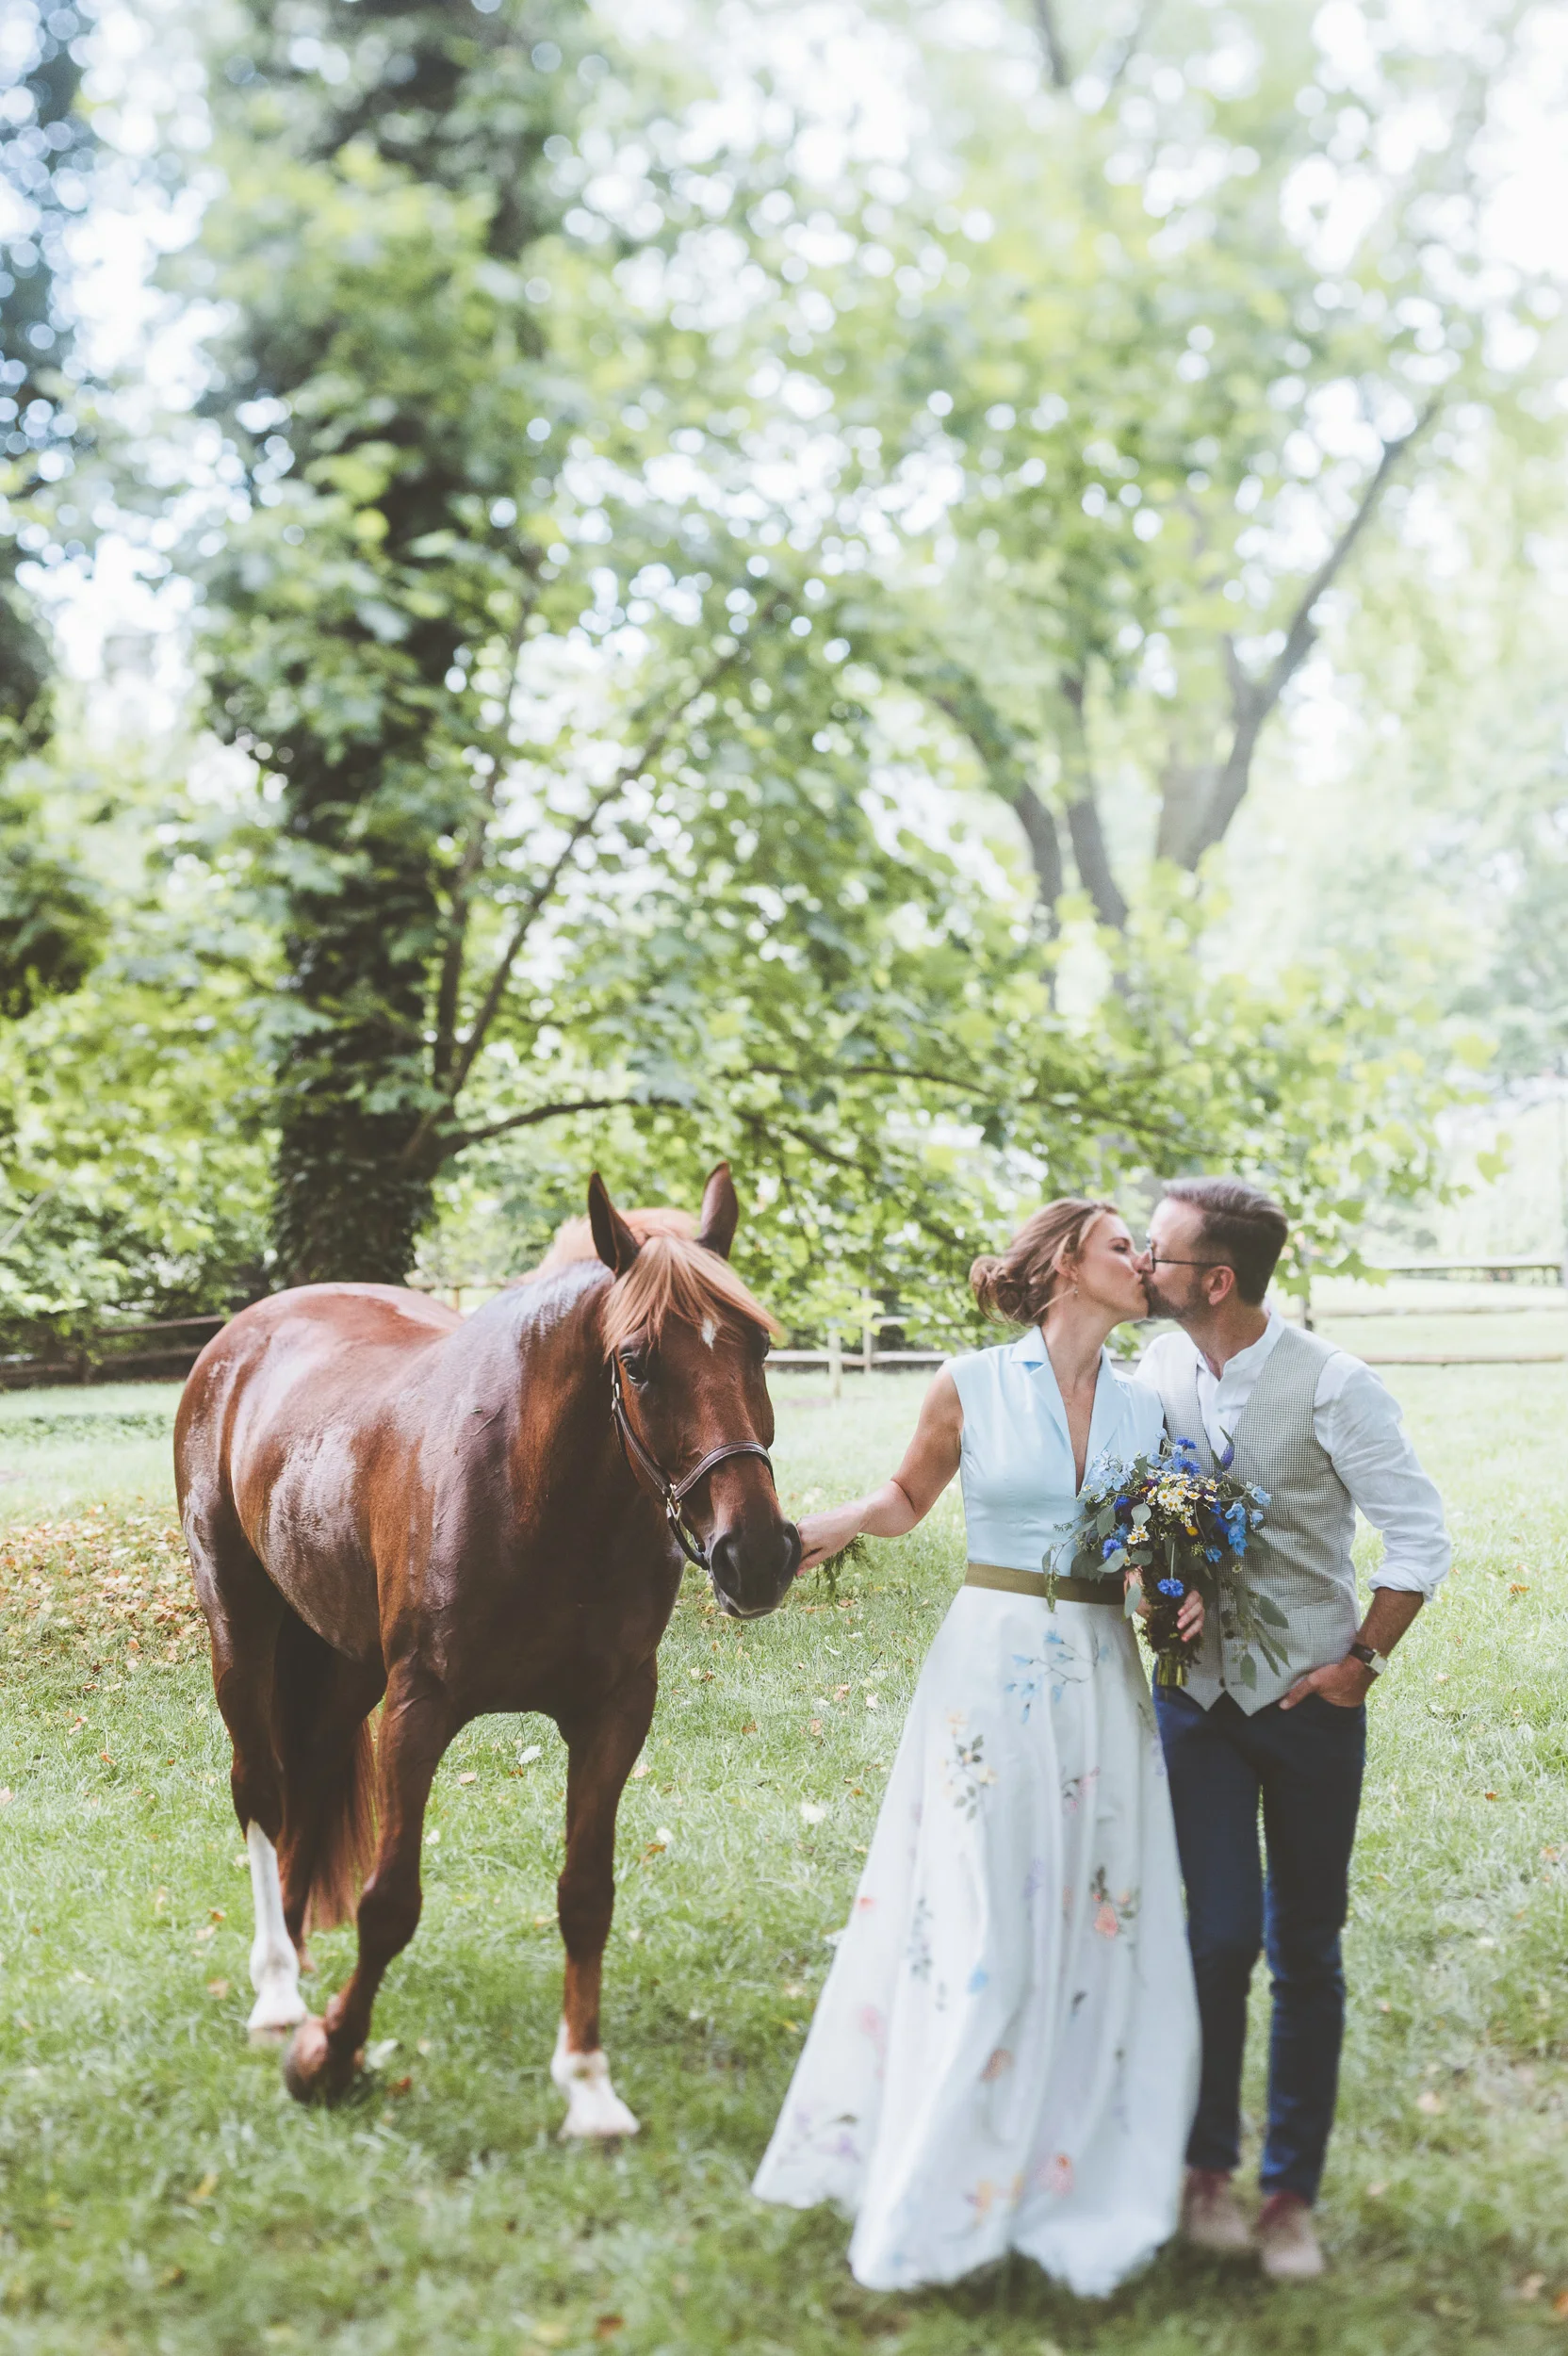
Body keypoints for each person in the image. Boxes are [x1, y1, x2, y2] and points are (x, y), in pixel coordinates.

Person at [753, 1200, 1202, 2297]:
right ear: (1061, 1266)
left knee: (1097, 1903)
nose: (1140, 1263)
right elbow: (911, 1496)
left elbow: (1147, 1554)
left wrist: (1175, 1599)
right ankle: (943, 2164)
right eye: (1118, 1248)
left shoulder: (1149, 1408)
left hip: (1100, 1676)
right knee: (981, 1904)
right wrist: (834, 1524)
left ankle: (1071, 2158)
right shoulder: (969, 1382)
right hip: (987, 1674)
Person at [1136, 1177, 1450, 2282]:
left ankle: (1287, 2197)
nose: (1139, 1264)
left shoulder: (1335, 1386)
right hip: (1195, 1705)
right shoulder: (1157, 1369)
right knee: (1217, 1937)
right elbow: (1144, 1515)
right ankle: (1201, 2170)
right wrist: (1154, 1586)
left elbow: (1418, 1535)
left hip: (1311, 1708)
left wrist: (1357, 1664)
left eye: (1158, 1253)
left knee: (1306, 1949)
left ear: (1213, 1280)